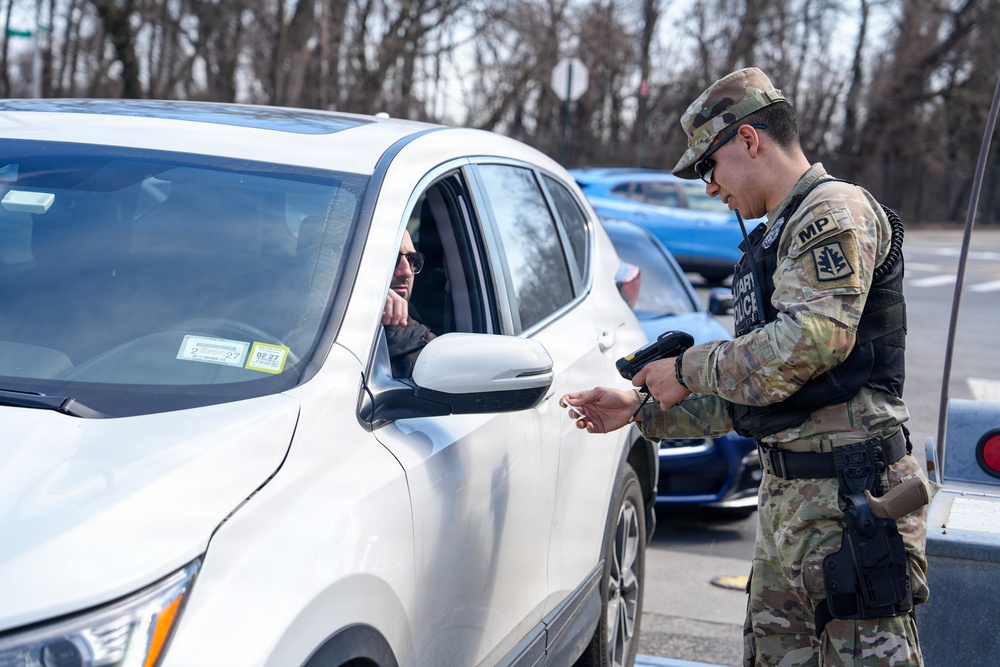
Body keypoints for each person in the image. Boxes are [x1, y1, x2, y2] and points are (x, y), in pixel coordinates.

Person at [561, 67, 928, 666]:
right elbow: (760, 387)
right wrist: (643, 407)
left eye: (708, 166)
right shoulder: (777, 236)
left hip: (848, 507)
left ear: (749, 141)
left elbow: (811, 343)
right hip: (796, 508)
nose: (709, 187)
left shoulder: (831, 212)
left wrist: (687, 368)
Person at [382, 229, 435, 378]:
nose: (407, 271)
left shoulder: (428, 354)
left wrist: (391, 328)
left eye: (413, 259)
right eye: (391, 256)